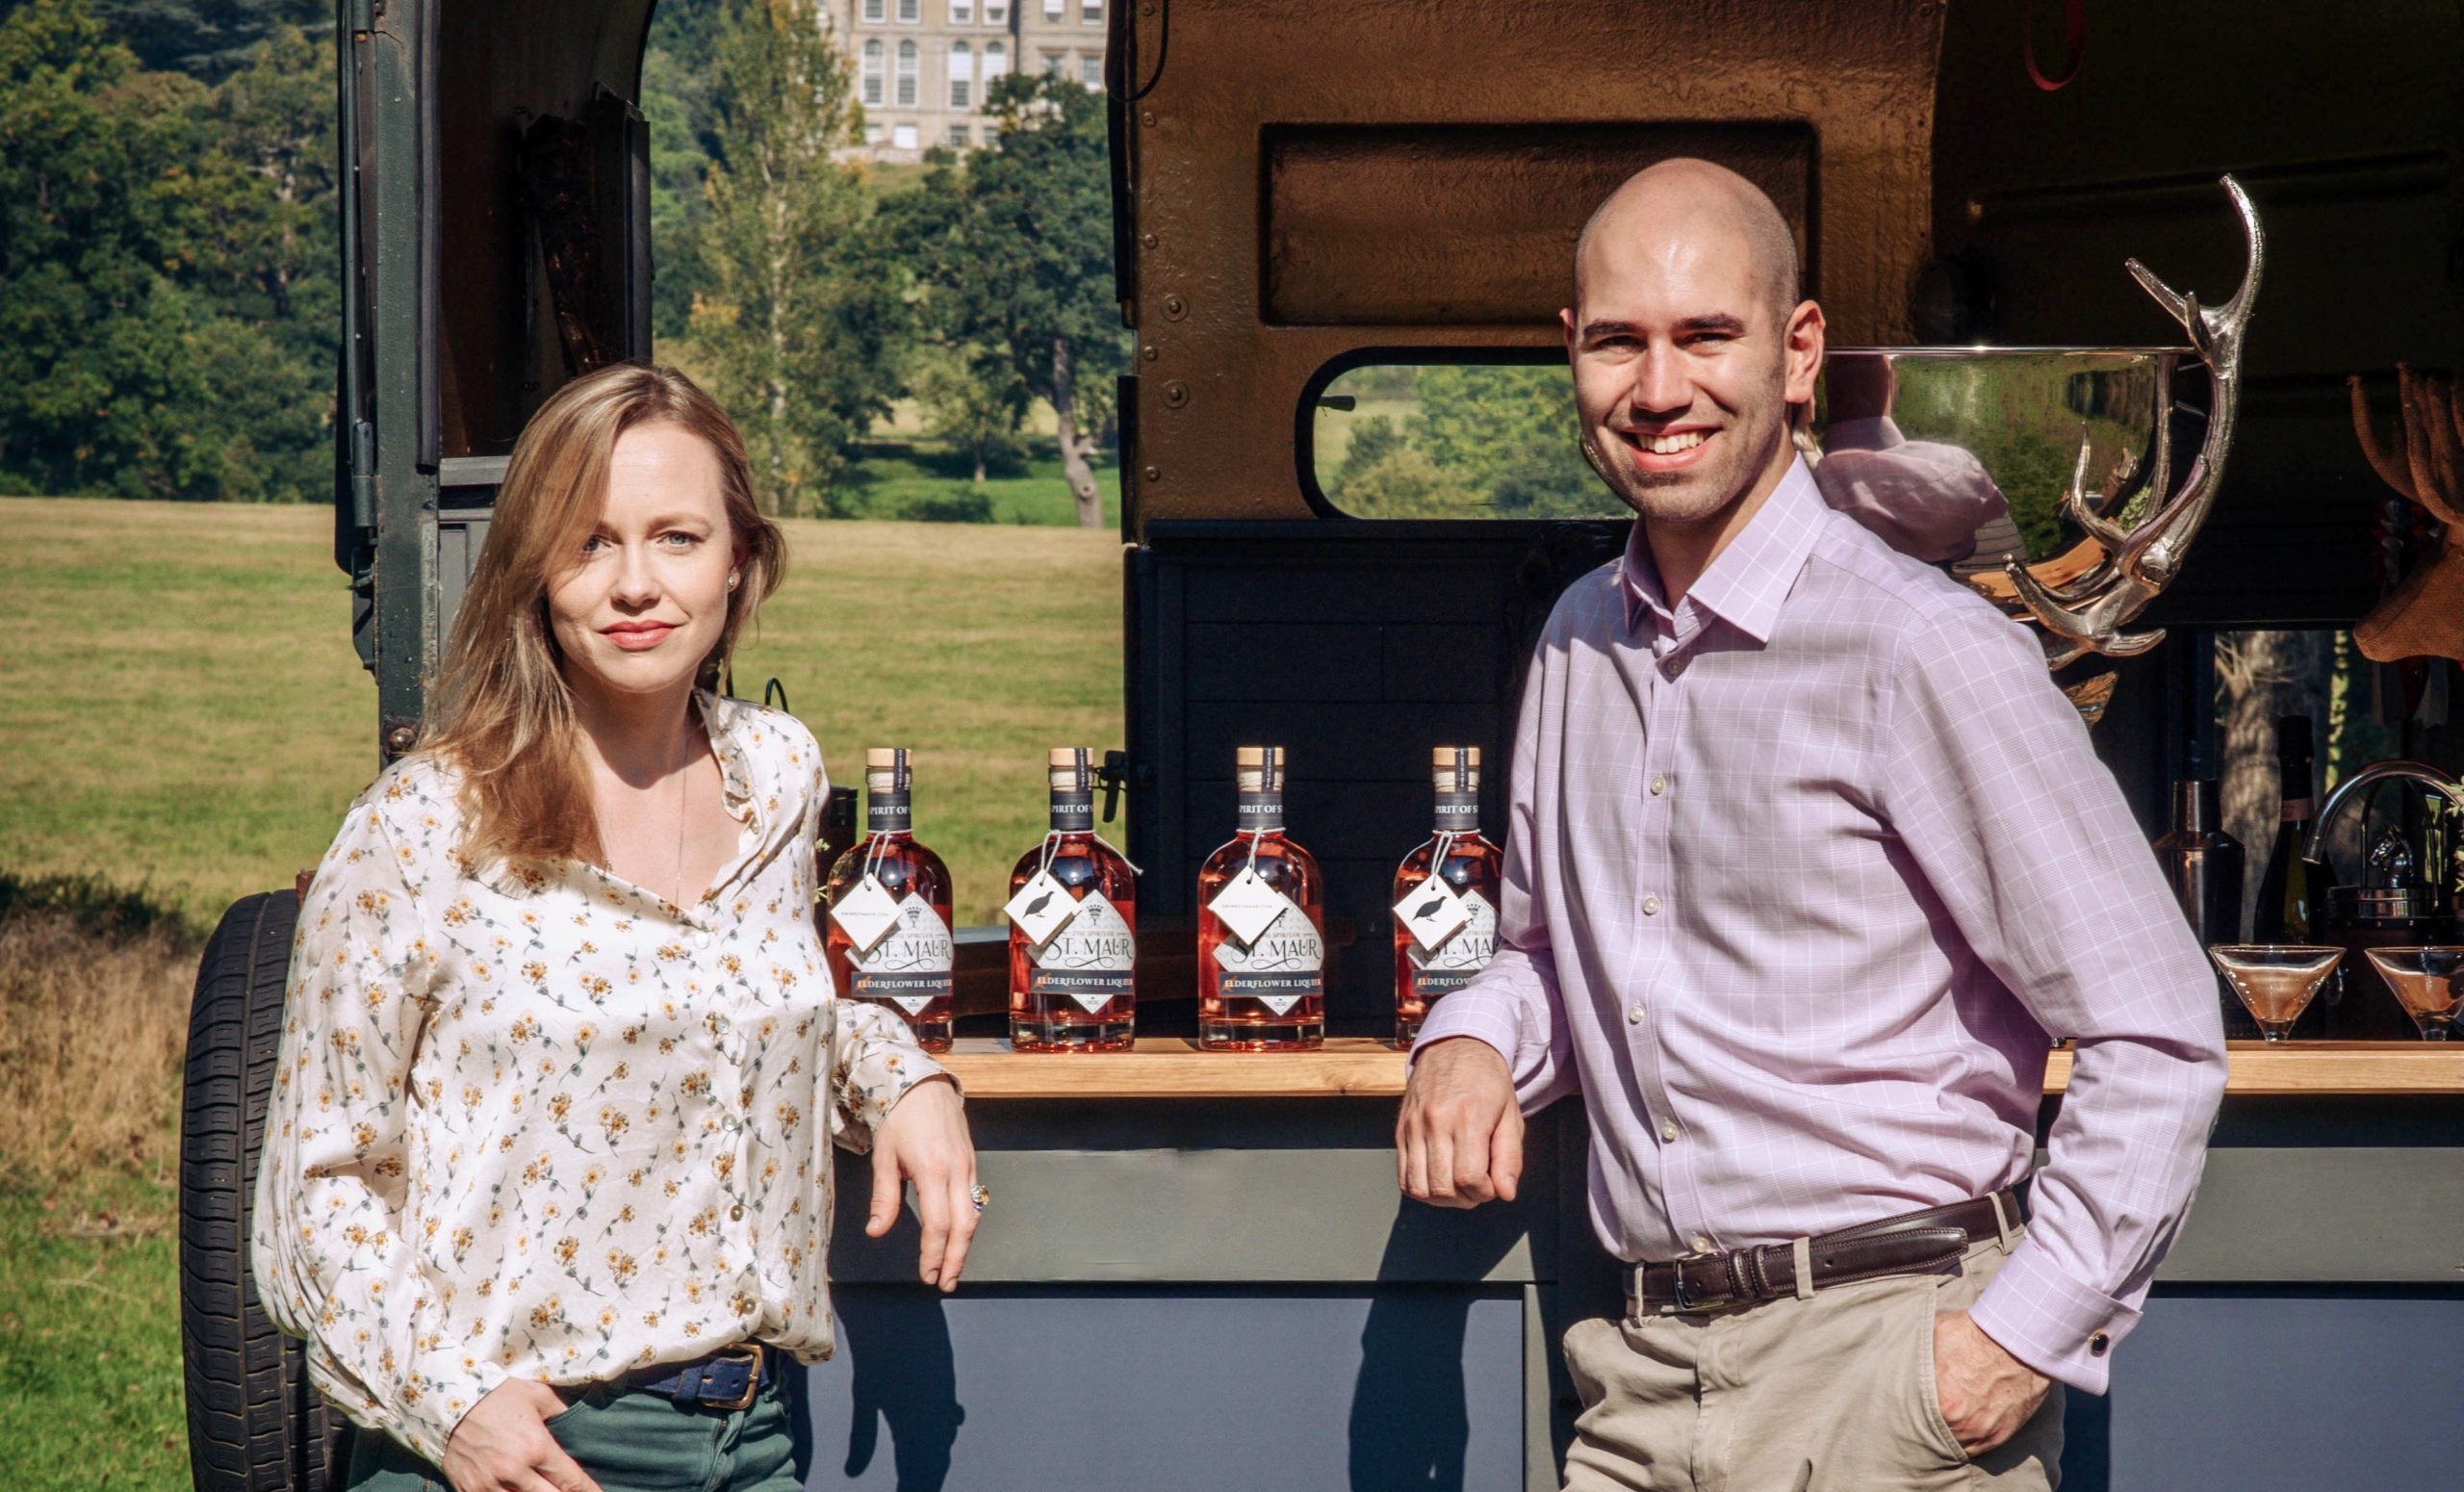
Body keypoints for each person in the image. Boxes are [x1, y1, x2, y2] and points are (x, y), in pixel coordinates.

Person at [1396, 160, 2226, 1490]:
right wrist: (1472, 1040)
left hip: (1887, 1377)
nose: (1659, 389)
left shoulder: (1920, 647)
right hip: (1637, 1377)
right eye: (1619, 341)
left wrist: (2011, 1344)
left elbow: (2159, 1023)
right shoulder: (1574, 645)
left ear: (1797, 353)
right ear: (1573, 353)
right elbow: (1555, 957)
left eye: (1704, 335)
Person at [254, 363, 983, 1492]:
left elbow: (737, 1018)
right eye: (591, 542)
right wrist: (451, 1407)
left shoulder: (775, 777)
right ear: (535, 571)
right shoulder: (426, 823)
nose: (636, 583)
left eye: (677, 537)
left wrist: (900, 1073)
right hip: (520, 1449)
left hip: (756, 1436)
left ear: (739, 559)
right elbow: (315, 1184)